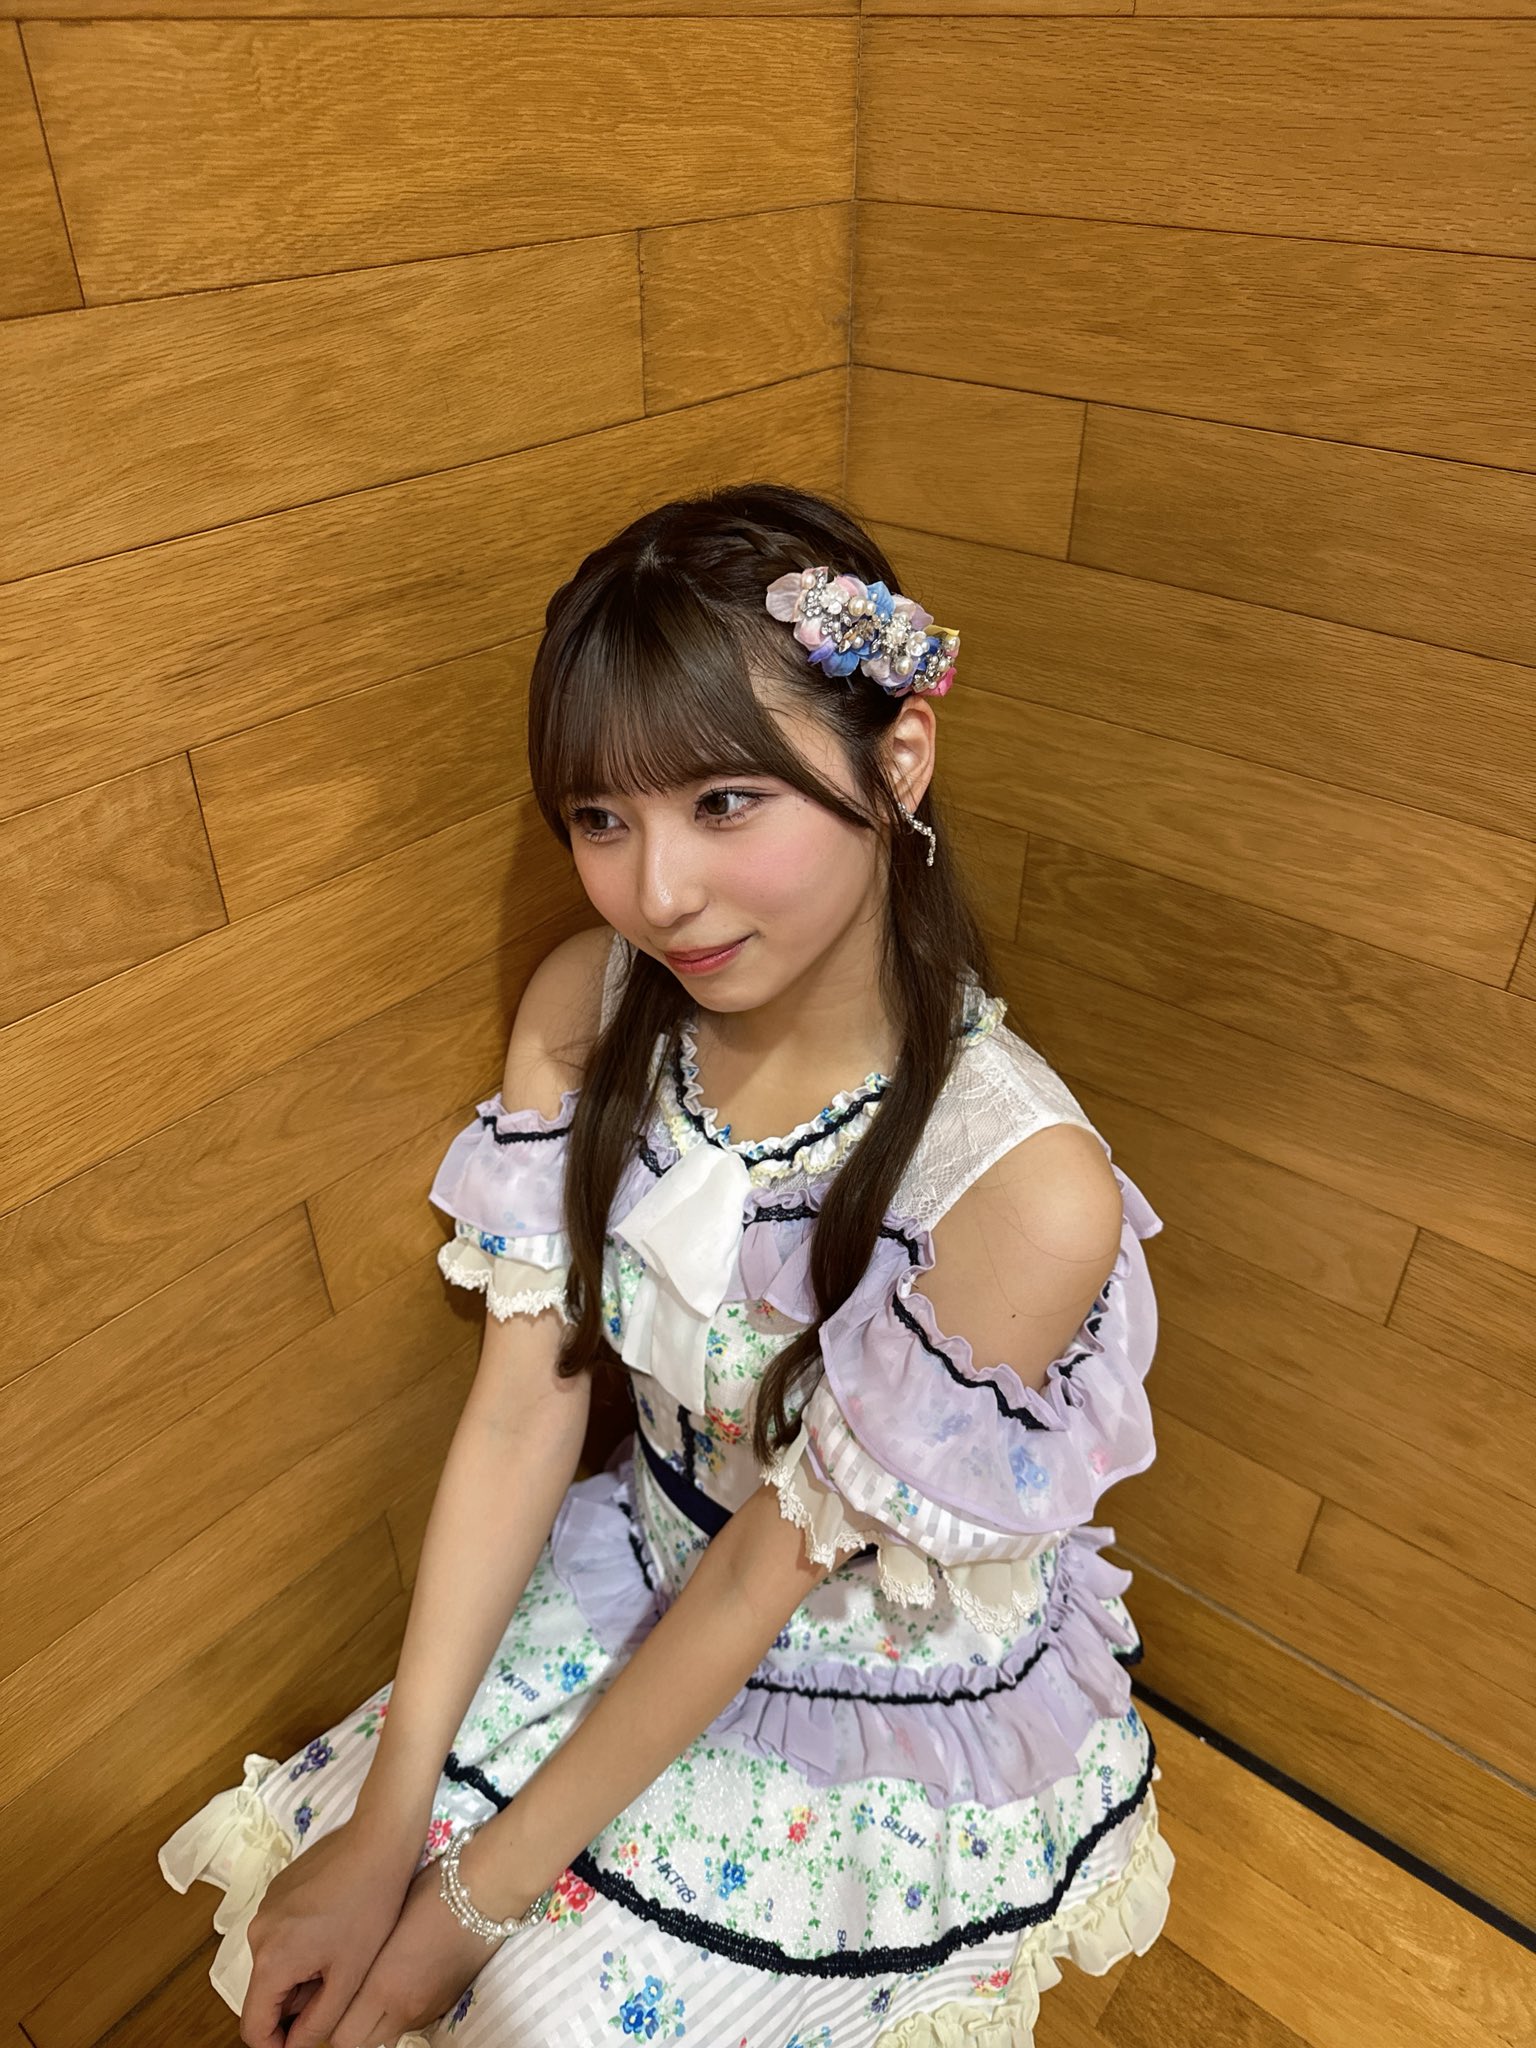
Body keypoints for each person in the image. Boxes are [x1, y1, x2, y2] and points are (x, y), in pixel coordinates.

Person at [159, 481, 1175, 2048]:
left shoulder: (1019, 1190)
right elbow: (523, 1408)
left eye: (724, 801)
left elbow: (768, 1575)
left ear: (899, 757)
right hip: (632, 1568)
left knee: (515, 2012)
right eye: (601, 819)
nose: (658, 894)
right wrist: (388, 1827)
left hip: (854, 1699)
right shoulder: (590, 1009)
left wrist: (465, 1907)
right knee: (327, 1881)